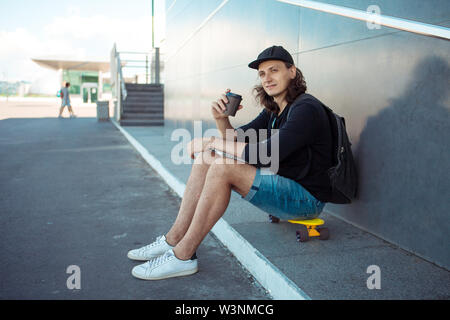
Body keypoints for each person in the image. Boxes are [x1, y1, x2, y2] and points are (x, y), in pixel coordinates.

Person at [127, 45, 333, 281]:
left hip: (307, 200)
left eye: (274, 70)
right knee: (209, 158)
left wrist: (211, 141)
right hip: (284, 186)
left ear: (292, 72)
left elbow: (265, 152)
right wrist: (221, 119)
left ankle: (182, 256)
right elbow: (237, 139)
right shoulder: (274, 111)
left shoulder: (306, 109)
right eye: (262, 74)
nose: (267, 78)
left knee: (222, 165)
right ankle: (172, 239)